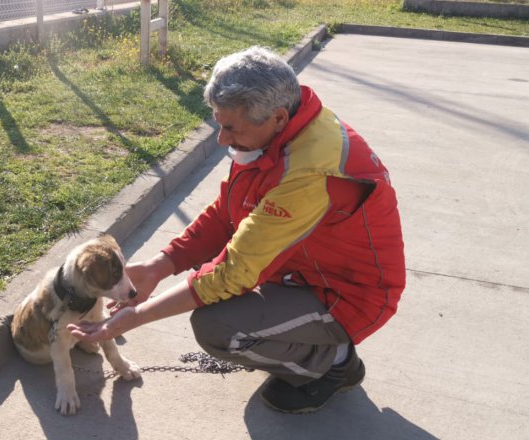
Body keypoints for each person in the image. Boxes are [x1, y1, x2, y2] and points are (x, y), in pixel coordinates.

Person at [69, 46, 405, 413]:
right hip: (299, 267)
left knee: (219, 329)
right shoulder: (281, 134)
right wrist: (160, 265)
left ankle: (335, 363)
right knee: (224, 311)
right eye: (218, 122)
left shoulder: (308, 171)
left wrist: (135, 317)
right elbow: (228, 212)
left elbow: (234, 272)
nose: (222, 139)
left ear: (276, 117)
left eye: (231, 127)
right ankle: (311, 346)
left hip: (348, 293)